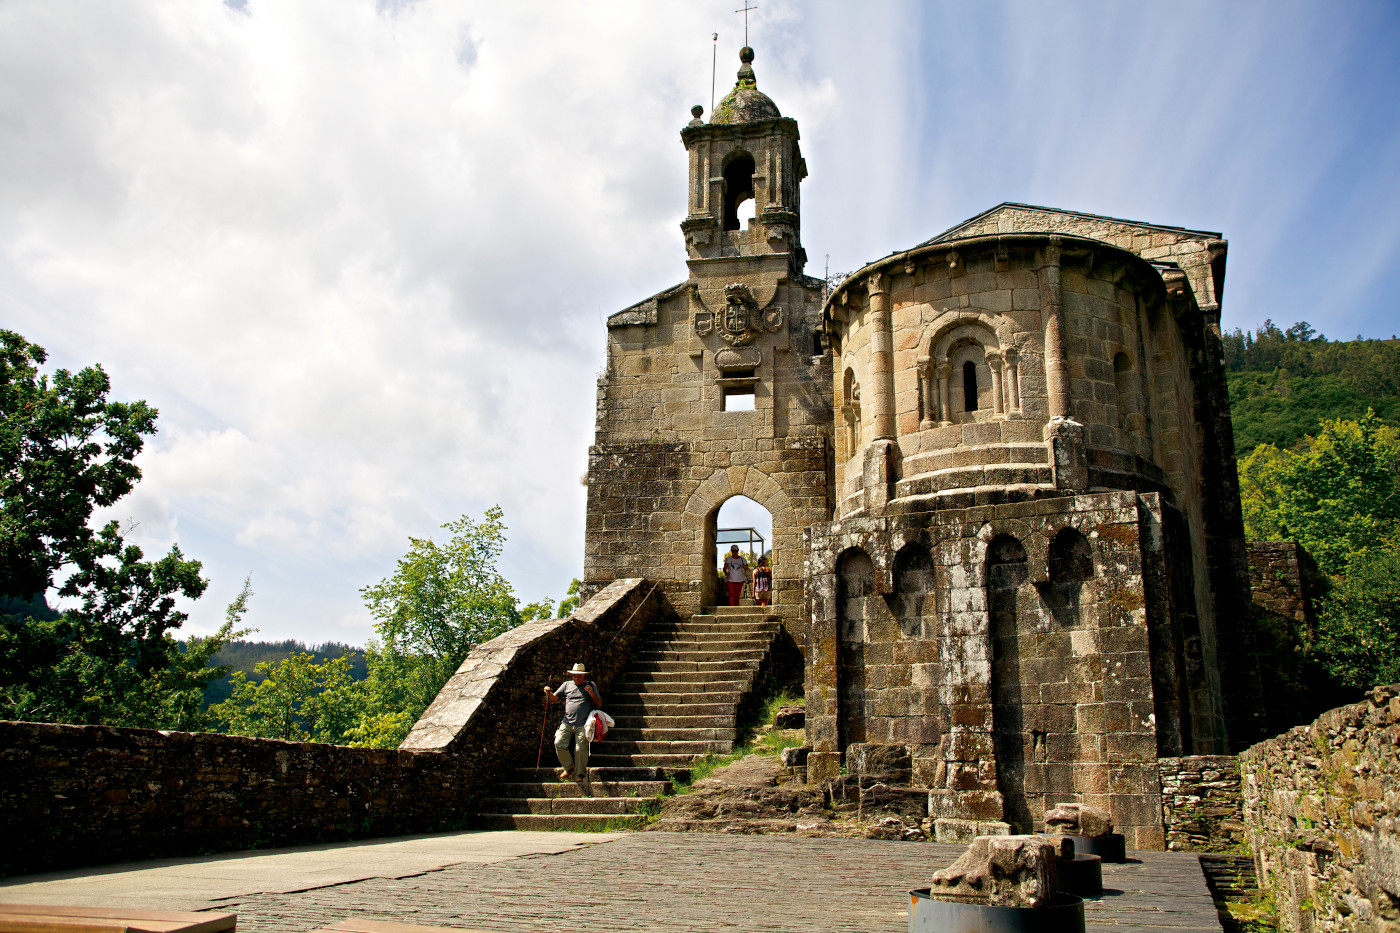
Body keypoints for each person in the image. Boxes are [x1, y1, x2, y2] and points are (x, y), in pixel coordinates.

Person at [544, 663, 602, 783]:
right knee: (559, 742)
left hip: (583, 723)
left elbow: (599, 703)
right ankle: (569, 767)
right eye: (574, 676)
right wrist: (548, 692)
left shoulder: (590, 685)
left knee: (580, 749)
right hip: (567, 722)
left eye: (579, 676)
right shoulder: (566, 685)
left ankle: (579, 774)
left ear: (584, 676)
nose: (576, 678)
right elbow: (554, 698)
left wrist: (591, 693)